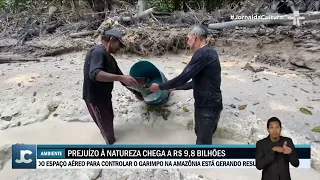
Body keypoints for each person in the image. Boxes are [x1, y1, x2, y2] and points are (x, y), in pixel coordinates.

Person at [148, 24, 223, 144]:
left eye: (188, 38)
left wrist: (160, 86)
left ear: (195, 36)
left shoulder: (202, 54)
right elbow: (197, 82)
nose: (187, 41)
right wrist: (175, 87)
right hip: (211, 105)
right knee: (202, 136)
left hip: (207, 109)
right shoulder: (211, 52)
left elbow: (183, 77)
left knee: (203, 145)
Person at [82, 28, 143, 144]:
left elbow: (123, 79)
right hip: (95, 99)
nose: (119, 47)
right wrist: (121, 78)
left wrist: (140, 93)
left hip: (104, 98)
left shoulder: (110, 58)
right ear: (111, 40)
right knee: (108, 133)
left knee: (109, 120)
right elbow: (95, 74)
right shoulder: (97, 52)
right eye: (119, 44)